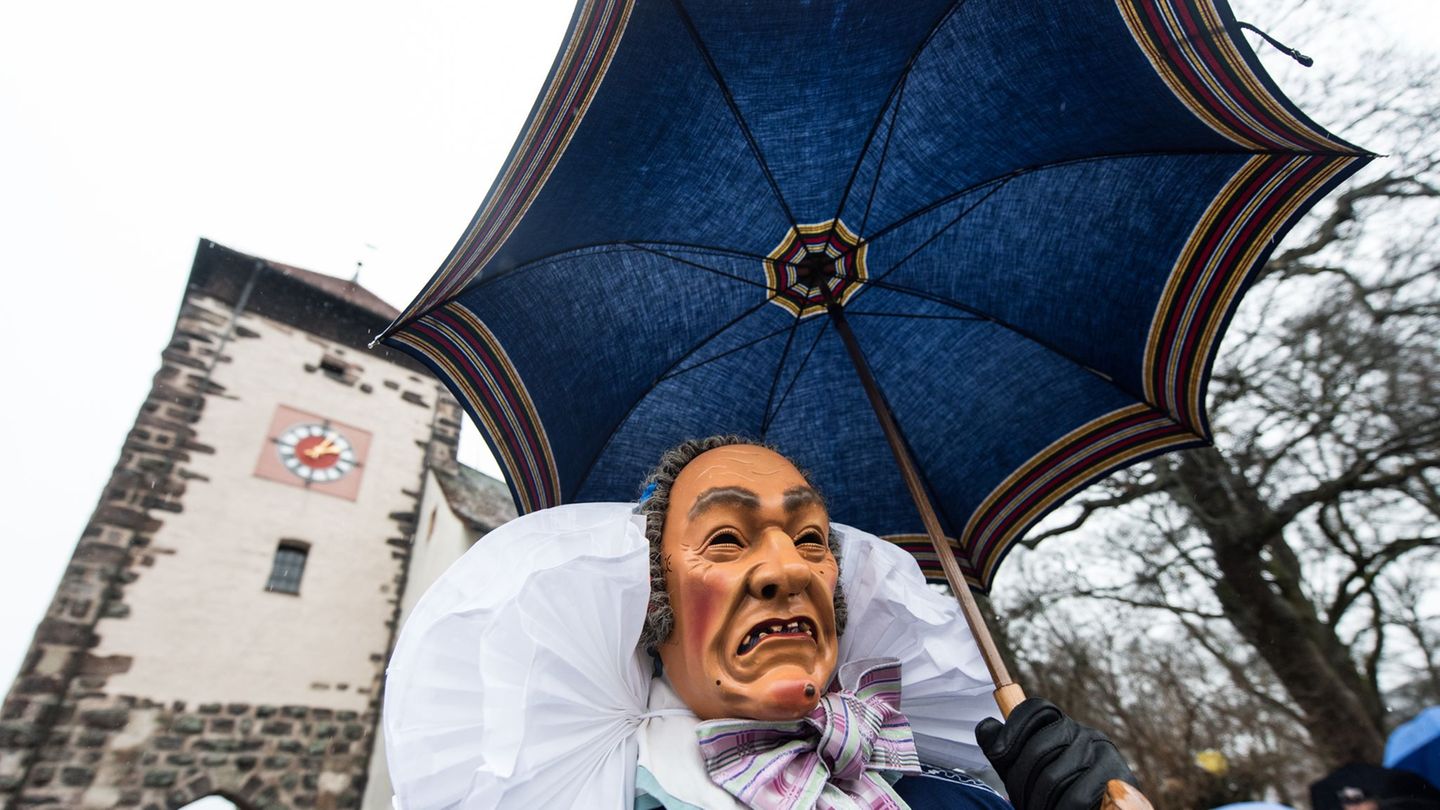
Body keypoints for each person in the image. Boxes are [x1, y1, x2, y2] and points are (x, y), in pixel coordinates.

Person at [382, 435, 1137, 809]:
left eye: (811, 539)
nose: (788, 569)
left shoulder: (950, 796)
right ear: (652, 603)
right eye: (725, 539)